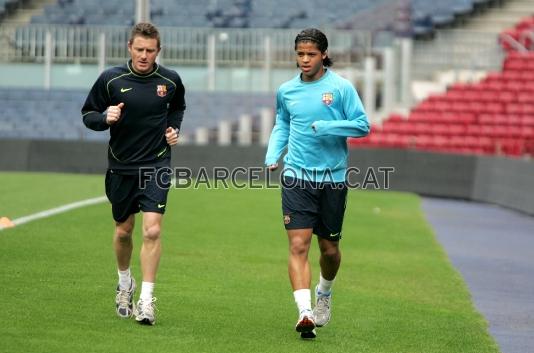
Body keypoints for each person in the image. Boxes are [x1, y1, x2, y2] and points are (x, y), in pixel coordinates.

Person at [265, 28, 370, 339]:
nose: (305, 59)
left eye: (311, 54)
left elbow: (363, 125)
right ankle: (305, 311)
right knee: (298, 245)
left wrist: (328, 126)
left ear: (324, 54)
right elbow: (282, 123)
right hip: (296, 176)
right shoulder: (286, 91)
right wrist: (273, 153)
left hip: (332, 180)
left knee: (330, 249)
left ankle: (324, 292)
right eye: (300, 54)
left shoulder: (340, 88)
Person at [81, 22, 186, 326]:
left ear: (158, 51)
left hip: (156, 164)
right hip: (121, 165)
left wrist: (173, 129)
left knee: (152, 230)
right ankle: (125, 281)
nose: (144, 55)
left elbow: (177, 107)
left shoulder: (171, 80)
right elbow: (88, 114)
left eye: (149, 51)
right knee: (123, 231)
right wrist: (105, 117)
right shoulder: (111, 79)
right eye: (139, 49)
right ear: (129, 47)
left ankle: (147, 300)